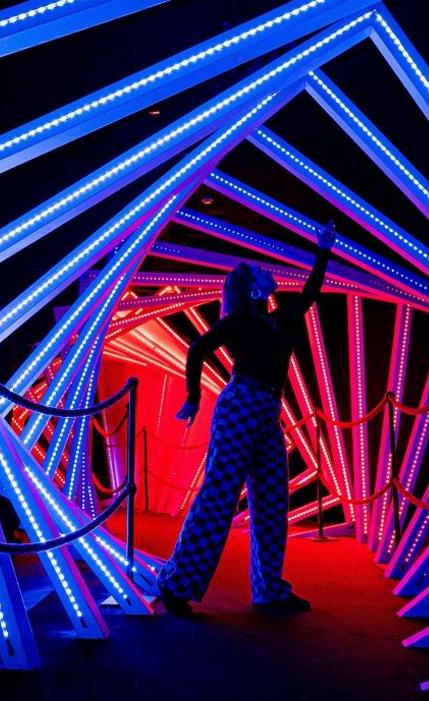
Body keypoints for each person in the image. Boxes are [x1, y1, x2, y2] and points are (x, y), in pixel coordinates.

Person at [154, 222, 337, 615]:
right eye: (259, 271)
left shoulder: (281, 317)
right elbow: (197, 349)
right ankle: (176, 584)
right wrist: (192, 397)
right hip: (240, 404)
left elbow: (311, 291)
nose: (269, 272)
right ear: (251, 286)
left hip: (268, 409)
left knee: (272, 498)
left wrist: (323, 250)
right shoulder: (239, 320)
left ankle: (268, 590)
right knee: (220, 496)